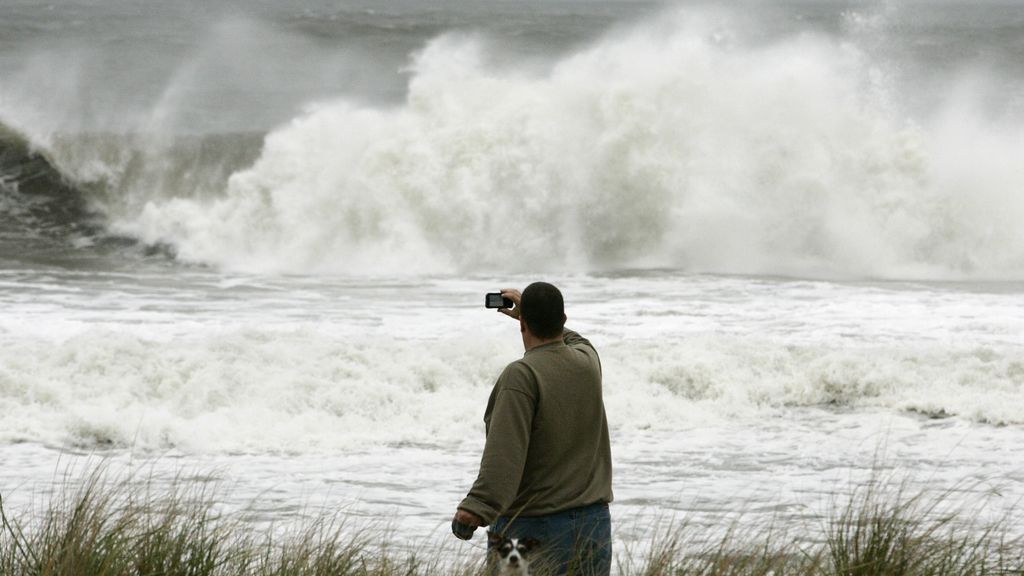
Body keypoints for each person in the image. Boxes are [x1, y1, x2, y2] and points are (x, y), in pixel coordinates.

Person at [452, 282, 613, 576]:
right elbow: (575, 338)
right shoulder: (588, 361)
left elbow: (505, 453)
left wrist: (476, 508)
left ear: (523, 323)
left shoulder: (522, 375)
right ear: (562, 320)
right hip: (594, 525)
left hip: (533, 528)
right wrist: (530, 313)